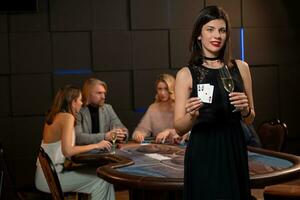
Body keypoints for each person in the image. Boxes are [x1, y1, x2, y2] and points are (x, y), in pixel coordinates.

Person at [174, 6, 255, 200]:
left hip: (234, 146)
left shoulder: (241, 68)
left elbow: (251, 118)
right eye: (210, 29)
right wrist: (192, 116)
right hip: (204, 149)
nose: (216, 35)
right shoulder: (186, 74)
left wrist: (245, 110)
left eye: (222, 30)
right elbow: (178, 128)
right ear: (199, 35)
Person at [35, 85, 115, 200]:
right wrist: (97, 145)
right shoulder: (67, 117)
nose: (82, 103)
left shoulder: (54, 116)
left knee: (102, 174)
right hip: (51, 179)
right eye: (80, 100)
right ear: (73, 102)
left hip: (45, 175)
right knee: (102, 179)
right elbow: (67, 151)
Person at [132, 74, 186, 144]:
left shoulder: (181, 106)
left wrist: (169, 132)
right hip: (159, 148)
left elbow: (188, 132)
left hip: (180, 149)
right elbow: (142, 130)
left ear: (172, 89)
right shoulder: (153, 108)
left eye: (166, 89)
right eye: (159, 89)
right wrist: (138, 135)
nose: (162, 93)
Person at [75, 78, 127, 145]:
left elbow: (124, 130)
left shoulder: (108, 108)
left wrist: (122, 135)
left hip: (105, 151)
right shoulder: (78, 110)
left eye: (104, 93)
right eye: (99, 93)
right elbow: (78, 138)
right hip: (85, 153)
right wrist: (105, 136)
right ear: (88, 94)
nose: (103, 97)